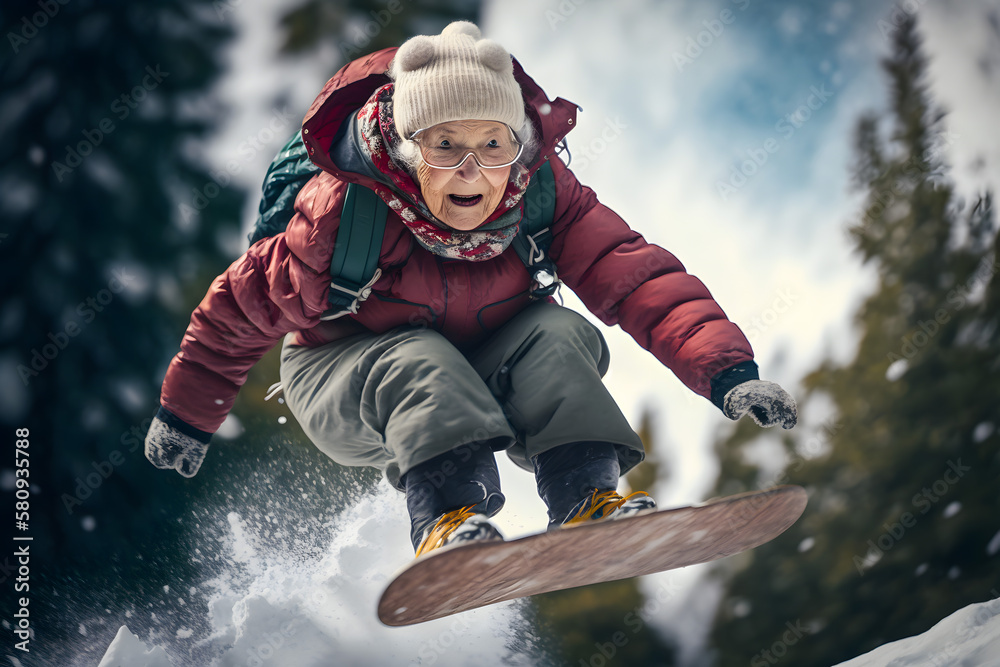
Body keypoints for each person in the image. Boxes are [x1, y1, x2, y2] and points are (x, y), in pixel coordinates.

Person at [144, 21, 797, 557]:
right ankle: (446, 518)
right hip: (345, 371)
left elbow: (636, 275)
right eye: (445, 145)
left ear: (516, 148)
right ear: (405, 149)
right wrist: (186, 415)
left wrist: (728, 372)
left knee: (560, 333)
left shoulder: (541, 194)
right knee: (420, 360)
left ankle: (586, 497)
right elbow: (237, 309)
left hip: (485, 361)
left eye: (492, 145)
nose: (470, 170)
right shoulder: (344, 213)